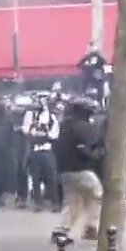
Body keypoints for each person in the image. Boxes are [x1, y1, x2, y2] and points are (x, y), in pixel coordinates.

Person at [54, 99, 103, 240]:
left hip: (64, 171)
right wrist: (95, 155)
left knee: (72, 202)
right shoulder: (83, 127)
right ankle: (88, 228)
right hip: (81, 170)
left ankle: (62, 229)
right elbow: (90, 147)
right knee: (96, 195)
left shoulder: (64, 126)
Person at [22, 96, 61, 212]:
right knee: (35, 178)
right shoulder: (30, 115)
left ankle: (55, 203)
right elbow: (26, 130)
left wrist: (44, 137)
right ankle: (38, 203)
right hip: (35, 150)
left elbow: (54, 134)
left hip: (47, 150)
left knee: (52, 178)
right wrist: (34, 134)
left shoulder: (51, 117)